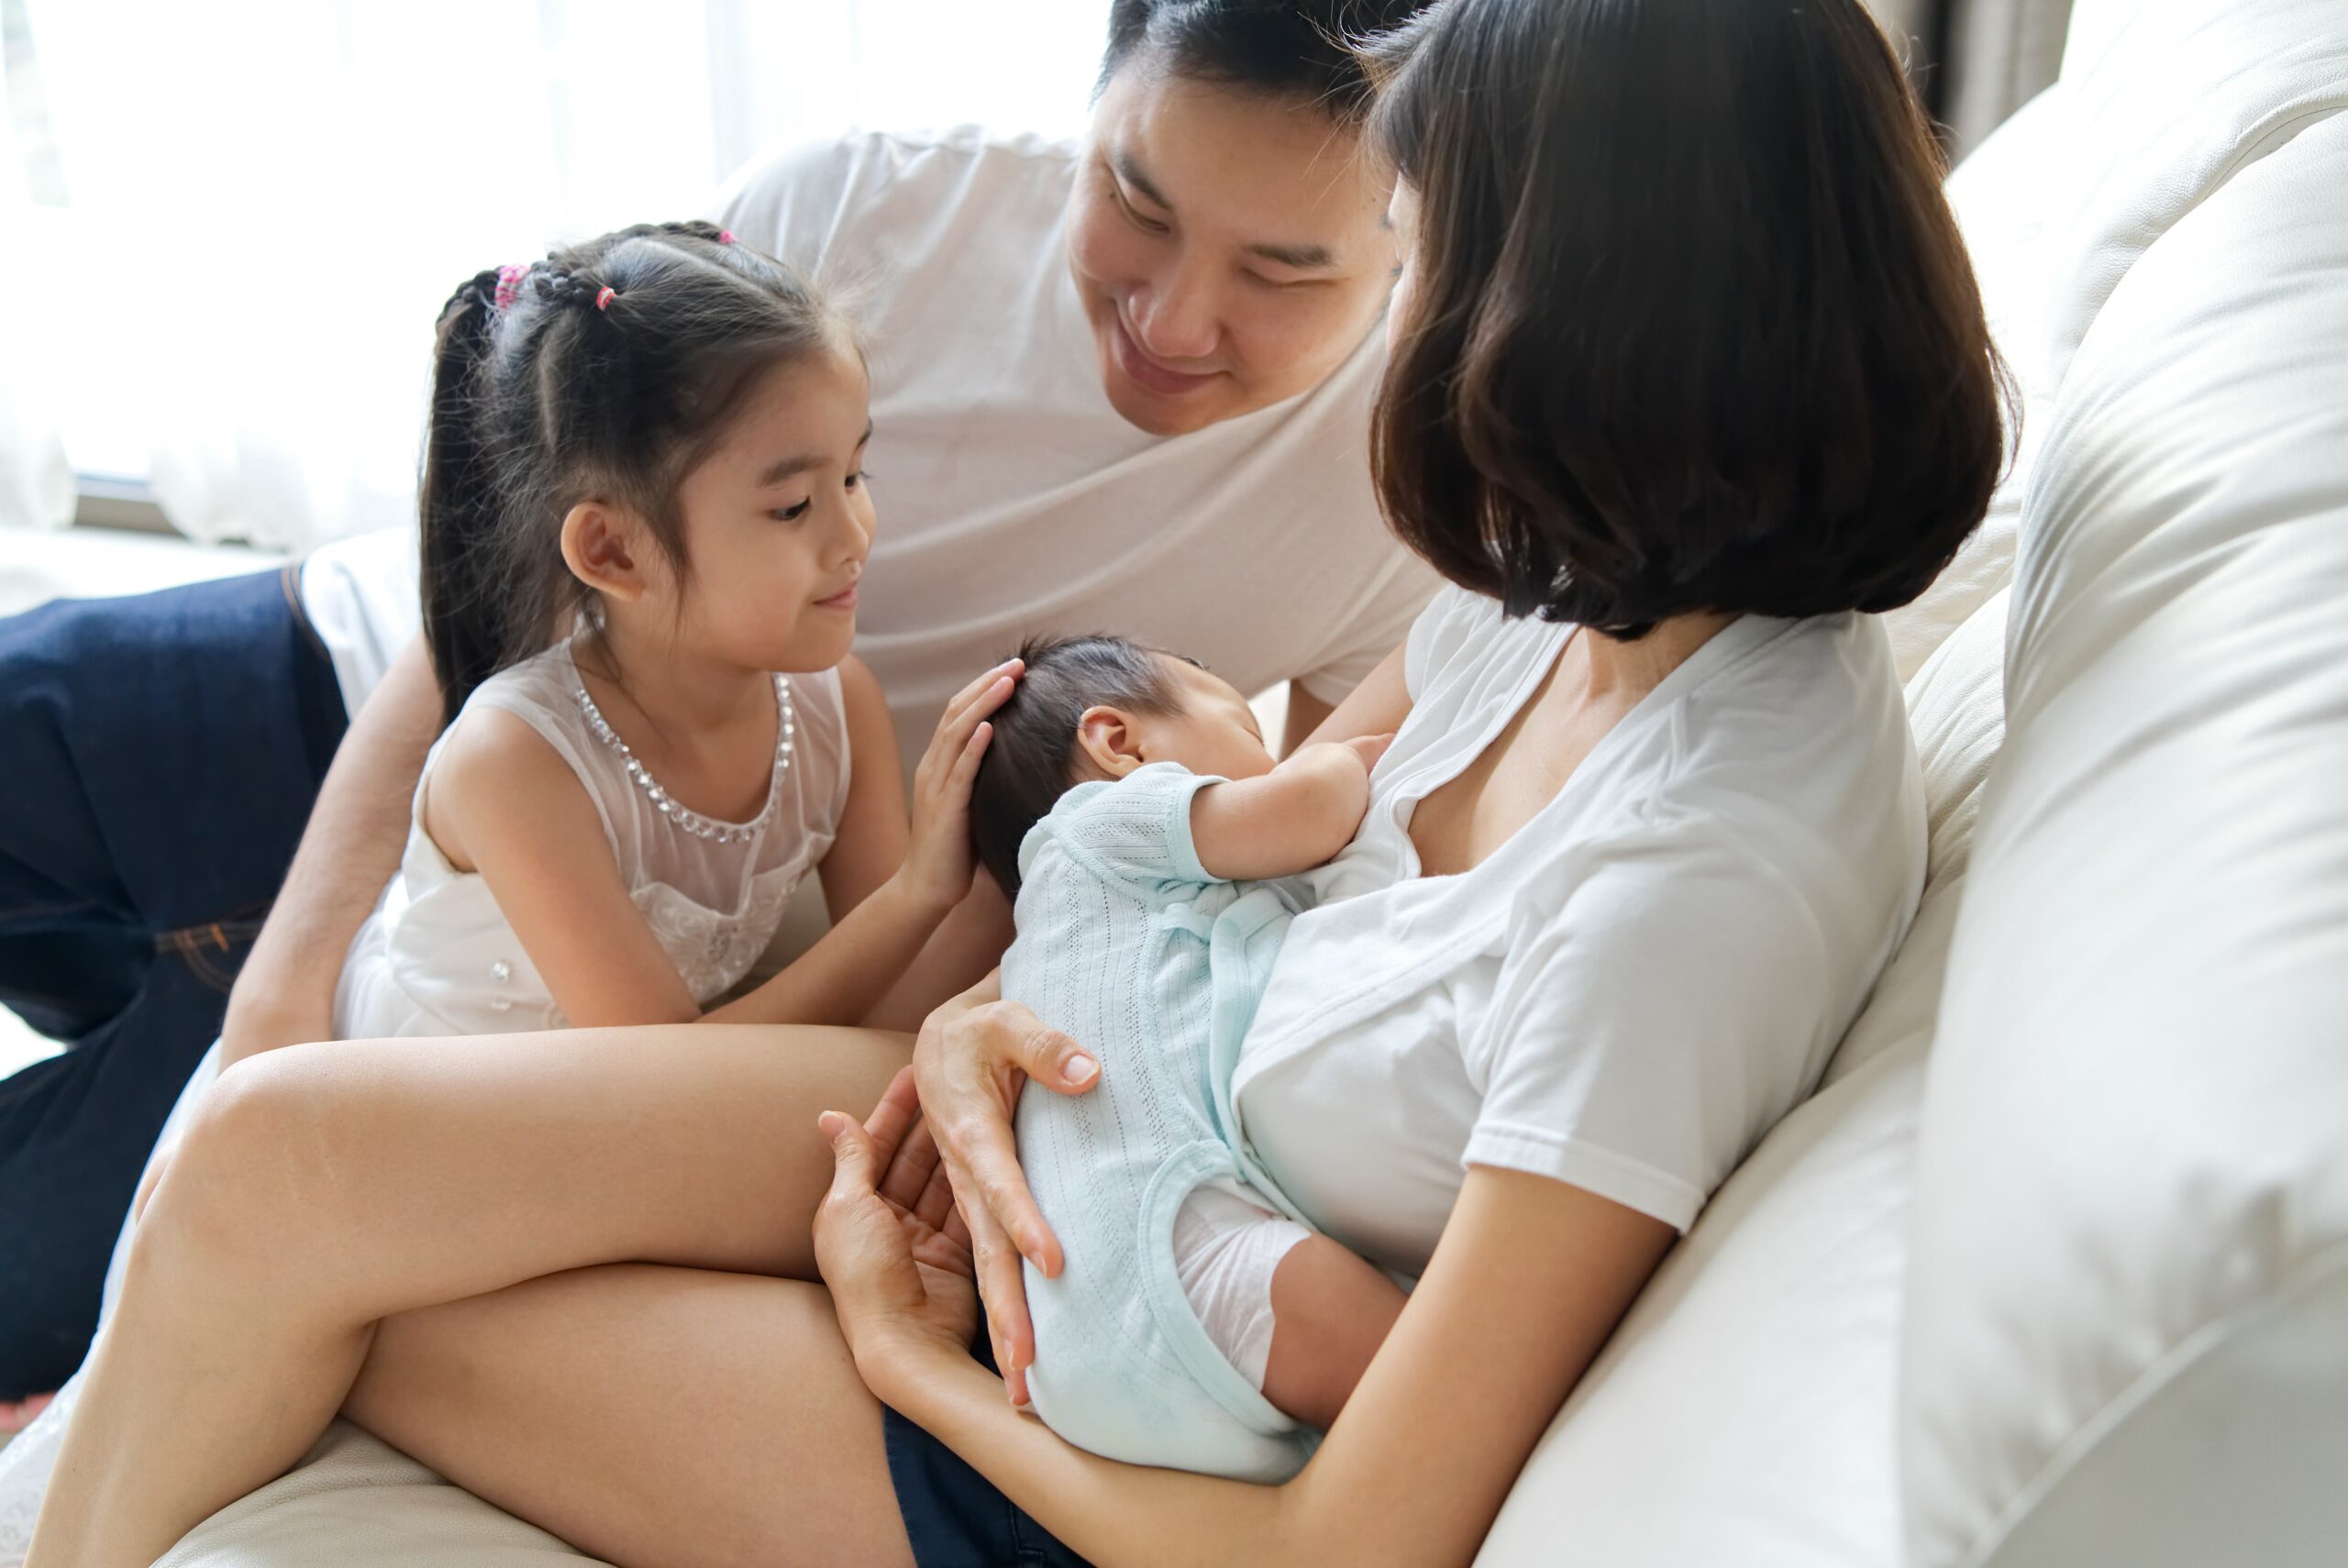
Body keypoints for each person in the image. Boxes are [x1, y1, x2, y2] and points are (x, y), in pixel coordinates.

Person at [21, 0, 2010, 1563]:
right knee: (263, 1155)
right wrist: (979, 1025)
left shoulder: (1708, 866)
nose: (1391, 326)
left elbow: (1356, 1535)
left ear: (1575, 325)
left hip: (1116, 1386)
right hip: (1047, 1109)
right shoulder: (1556, 590)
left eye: (1415, 258)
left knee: (305, 1268)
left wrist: (907, 1357)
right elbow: (1263, 847)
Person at [0, 0, 1436, 1405]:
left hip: (637, 949)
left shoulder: (1395, 501)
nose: (1179, 314)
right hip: (387, 706)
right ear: (1101, 95)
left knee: (69, 1277)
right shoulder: (869, 205)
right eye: (1137, 196)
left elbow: (1256, 888)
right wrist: (278, 997)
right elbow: (505, 569)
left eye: (1283, 271)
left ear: (1412, 234)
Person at [966, 635, 1406, 1480]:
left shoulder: (1063, 936)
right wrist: (1348, 764)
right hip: (1178, 1259)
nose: (1273, 757)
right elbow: (1303, 813)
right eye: (1248, 729)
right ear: (1121, 745)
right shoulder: (1093, 824)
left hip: (1080, 1351)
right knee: (1442, 1386)